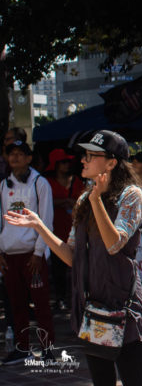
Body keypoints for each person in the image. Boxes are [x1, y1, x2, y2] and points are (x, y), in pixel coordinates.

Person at [4, 130, 142, 386]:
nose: (83, 160)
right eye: (85, 155)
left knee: (133, 381)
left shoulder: (131, 195)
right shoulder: (85, 198)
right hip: (92, 309)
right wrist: (39, 226)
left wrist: (96, 200)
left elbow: (115, 243)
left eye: (91, 156)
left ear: (111, 162)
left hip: (124, 309)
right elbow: (73, 257)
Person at [0, 140, 56, 365]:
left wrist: (39, 252)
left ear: (29, 158)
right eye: (11, 154)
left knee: (41, 304)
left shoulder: (39, 183)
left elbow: (47, 219)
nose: (15, 157)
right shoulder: (3, 185)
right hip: (10, 253)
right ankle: (22, 348)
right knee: (16, 304)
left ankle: (48, 349)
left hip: (33, 254)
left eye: (19, 154)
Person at [44, 148, 85, 310]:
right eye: (63, 162)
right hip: (55, 230)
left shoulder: (77, 180)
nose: (67, 165)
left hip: (75, 229)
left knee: (76, 267)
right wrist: (63, 202)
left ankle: (76, 298)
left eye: (68, 162)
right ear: (55, 164)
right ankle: (61, 298)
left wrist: (73, 203)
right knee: (58, 269)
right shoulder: (47, 183)